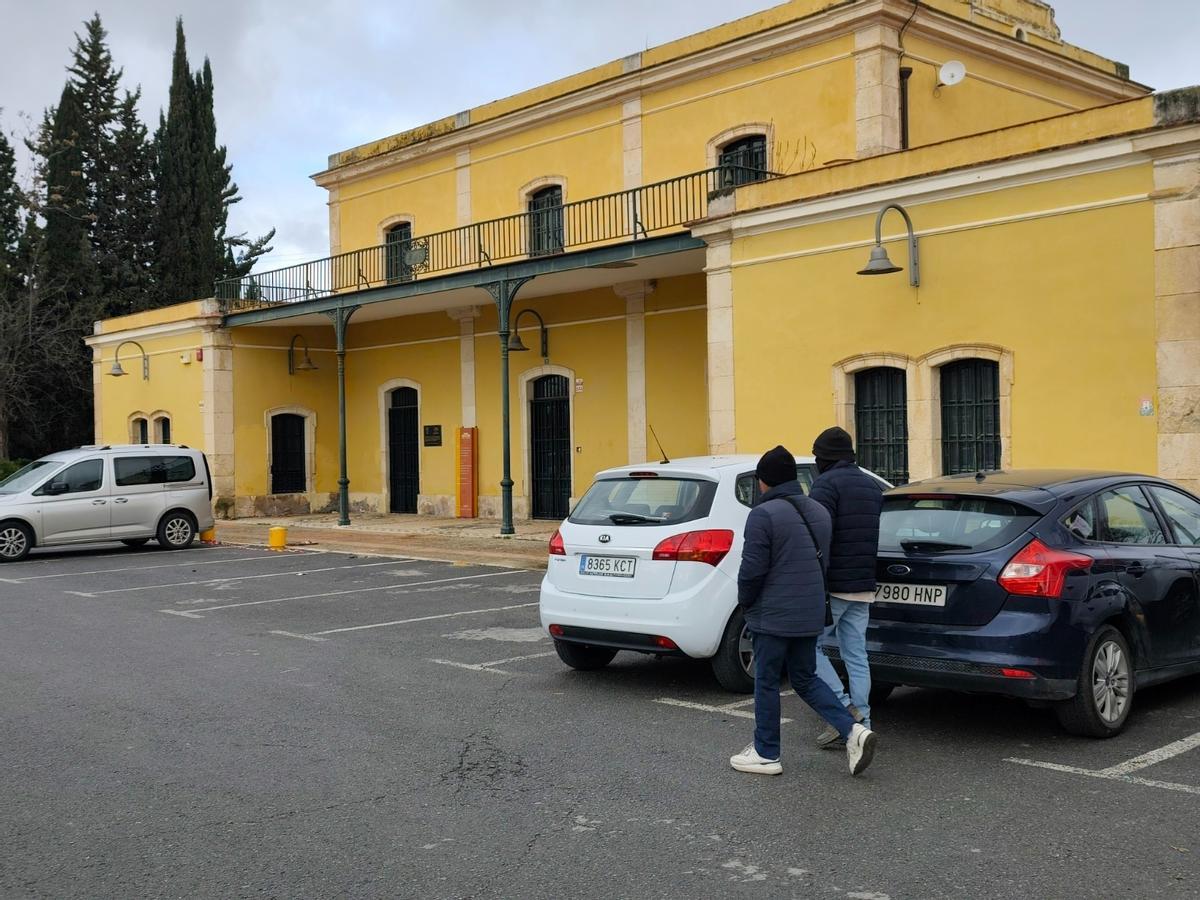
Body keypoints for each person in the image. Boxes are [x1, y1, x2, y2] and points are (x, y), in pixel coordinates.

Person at [729, 445, 878, 777]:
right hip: (810, 611)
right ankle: (854, 730)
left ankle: (766, 753)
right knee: (806, 678)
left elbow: (752, 571)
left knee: (766, 680)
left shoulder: (762, 515)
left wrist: (746, 602)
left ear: (764, 481)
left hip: (773, 614)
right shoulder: (818, 511)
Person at [809, 426, 885, 749]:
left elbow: (817, 534)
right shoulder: (871, 486)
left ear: (823, 458)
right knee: (856, 654)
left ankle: (843, 710)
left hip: (835, 584)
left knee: (807, 648)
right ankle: (863, 723)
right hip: (864, 583)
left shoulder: (825, 485)